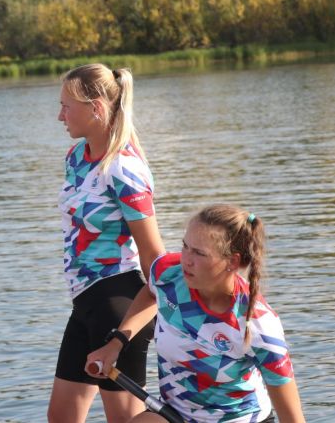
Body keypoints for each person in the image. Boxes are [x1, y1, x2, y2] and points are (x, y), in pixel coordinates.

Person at [86, 205, 305, 423]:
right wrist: (116, 343)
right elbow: (152, 292)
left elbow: (293, 418)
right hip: (174, 414)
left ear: (233, 261)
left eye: (199, 253)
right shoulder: (168, 273)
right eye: (185, 246)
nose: (186, 260)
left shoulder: (258, 323)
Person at [48, 63, 167, 423]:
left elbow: (155, 260)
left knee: (128, 421)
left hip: (120, 304)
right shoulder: (76, 159)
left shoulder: (123, 169)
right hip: (85, 301)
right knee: (62, 417)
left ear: (96, 108)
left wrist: (121, 337)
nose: (59, 116)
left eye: (67, 106)